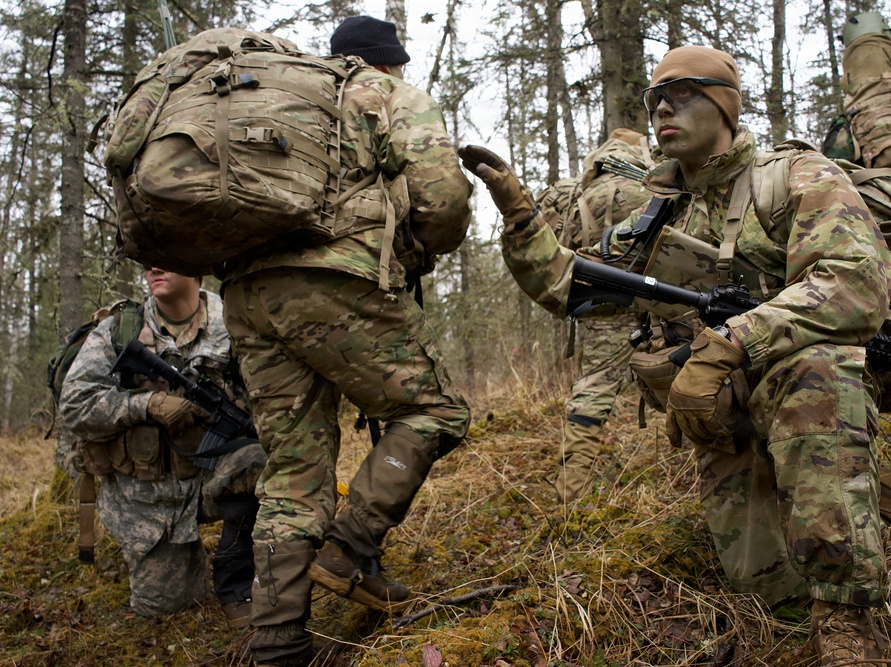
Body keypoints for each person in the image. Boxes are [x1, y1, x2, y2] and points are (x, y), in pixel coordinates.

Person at [460, 45, 891, 665]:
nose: (663, 105)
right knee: (763, 584)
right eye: (655, 97)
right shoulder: (654, 215)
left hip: (809, 375)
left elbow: (856, 283)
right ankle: (844, 518)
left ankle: (848, 619)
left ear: (725, 106)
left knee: (816, 379)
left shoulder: (795, 176)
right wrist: (520, 216)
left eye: (684, 92)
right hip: (723, 409)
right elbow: (570, 289)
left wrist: (731, 344)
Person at [217, 16, 472, 667]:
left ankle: (277, 639)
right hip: (332, 282)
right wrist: (415, 246)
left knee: (293, 465)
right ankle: (349, 547)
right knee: (434, 409)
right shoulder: (378, 93)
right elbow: (444, 202)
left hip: (246, 295)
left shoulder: (277, 101)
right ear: (385, 63)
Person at [60, 267, 265, 627]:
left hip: (209, 475)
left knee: (257, 460)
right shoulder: (121, 329)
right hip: (147, 497)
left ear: (195, 265)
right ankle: (186, 562)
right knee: (166, 607)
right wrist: (146, 405)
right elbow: (74, 406)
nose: (153, 267)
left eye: (165, 258)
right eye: (147, 260)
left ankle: (237, 580)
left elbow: (269, 397)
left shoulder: (234, 322)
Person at [535, 128, 657, 502]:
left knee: (596, 383)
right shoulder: (649, 185)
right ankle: (572, 490)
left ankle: (572, 483)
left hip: (596, 297)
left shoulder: (580, 192)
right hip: (652, 294)